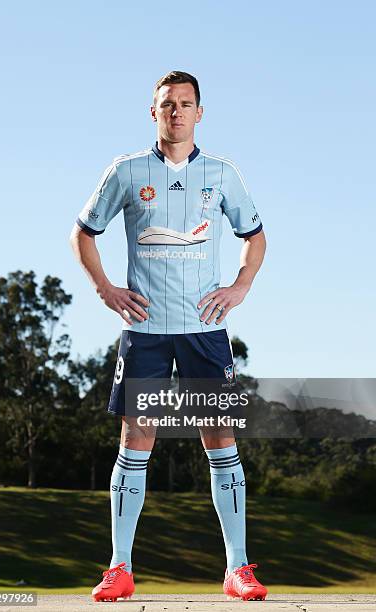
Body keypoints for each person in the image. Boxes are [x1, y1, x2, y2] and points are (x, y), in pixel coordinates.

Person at [70, 70, 267, 602]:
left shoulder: (222, 174)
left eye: (185, 104)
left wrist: (240, 286)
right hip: (146, 332)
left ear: (200, 112)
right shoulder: (127, 171)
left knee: (220, 440)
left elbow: (255, 236)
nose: (175, 112)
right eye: (166, 104)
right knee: (137, 440)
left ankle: (236, 569)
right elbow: (82, 234)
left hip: (205, 330)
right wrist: (105, 289)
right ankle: (119, 568)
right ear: (152, 112)